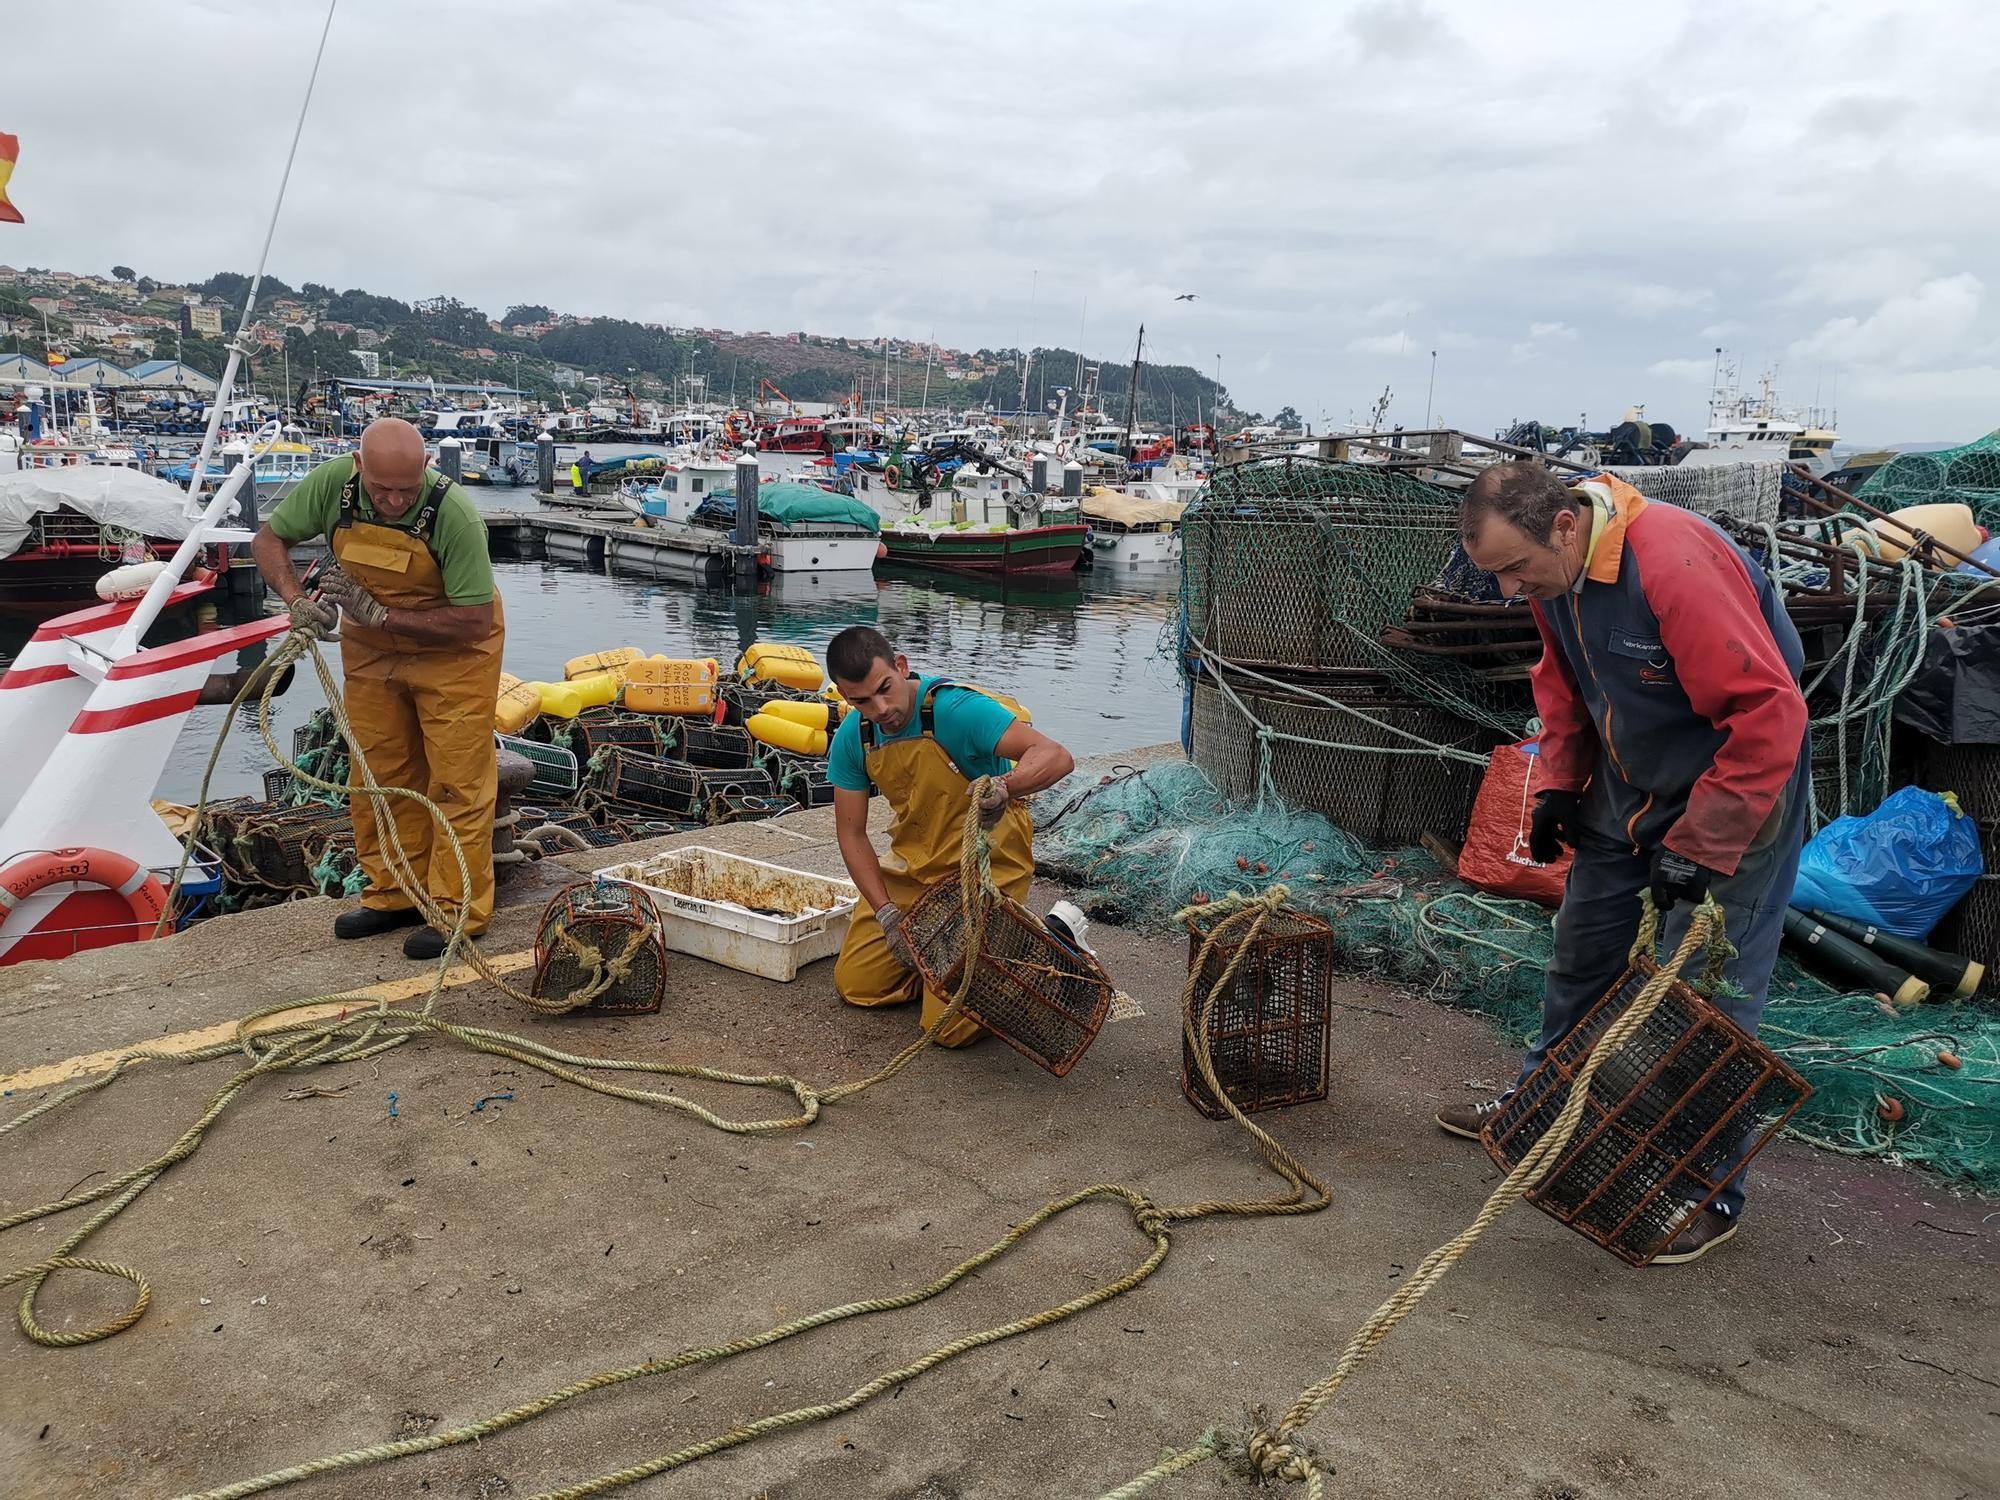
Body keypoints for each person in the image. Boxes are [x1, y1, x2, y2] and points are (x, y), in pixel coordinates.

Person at [1439, 462, 1808, 1265]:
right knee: (1582, 958)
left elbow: (1770, 713)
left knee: (1700, 994)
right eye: (1495, 575)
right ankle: (1542, 1109)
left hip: (1738, 788)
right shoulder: (1555, 580)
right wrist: (1559, 789)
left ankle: (1702, 1187)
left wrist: (1705, 843)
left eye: (1515, 569)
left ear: (1565, 526)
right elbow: (1563, 688)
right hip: (1628, 783)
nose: (1508, 591)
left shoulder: (1672, 562)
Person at [251, 417, 505, 961]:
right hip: (370, 651)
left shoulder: (453, 514)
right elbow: (269, 538)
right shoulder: (331, 485)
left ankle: (456, 908)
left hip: (454, 657)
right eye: (381, 489)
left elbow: (474, 621)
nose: (392, 502)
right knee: (379, 772)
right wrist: (296, 599)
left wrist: (382, 613)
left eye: (406, 492)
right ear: (358, 467)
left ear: (427, 472)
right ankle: (393, 895)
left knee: (457, 783)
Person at [826, 626, 1075, 1046]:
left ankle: (1047, 939)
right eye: (862, 701)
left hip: (985, 862)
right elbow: (851, 835)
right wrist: (886, 913)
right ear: (845, 697)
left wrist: (1006, 787)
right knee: (859, 985)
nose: (881, 708)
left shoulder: (957, 709)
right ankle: (944, 967)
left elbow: (1056, 756)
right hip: (916, 867)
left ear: (900, 666)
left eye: (885, 688)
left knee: (948, 1030)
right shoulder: (855, 737)